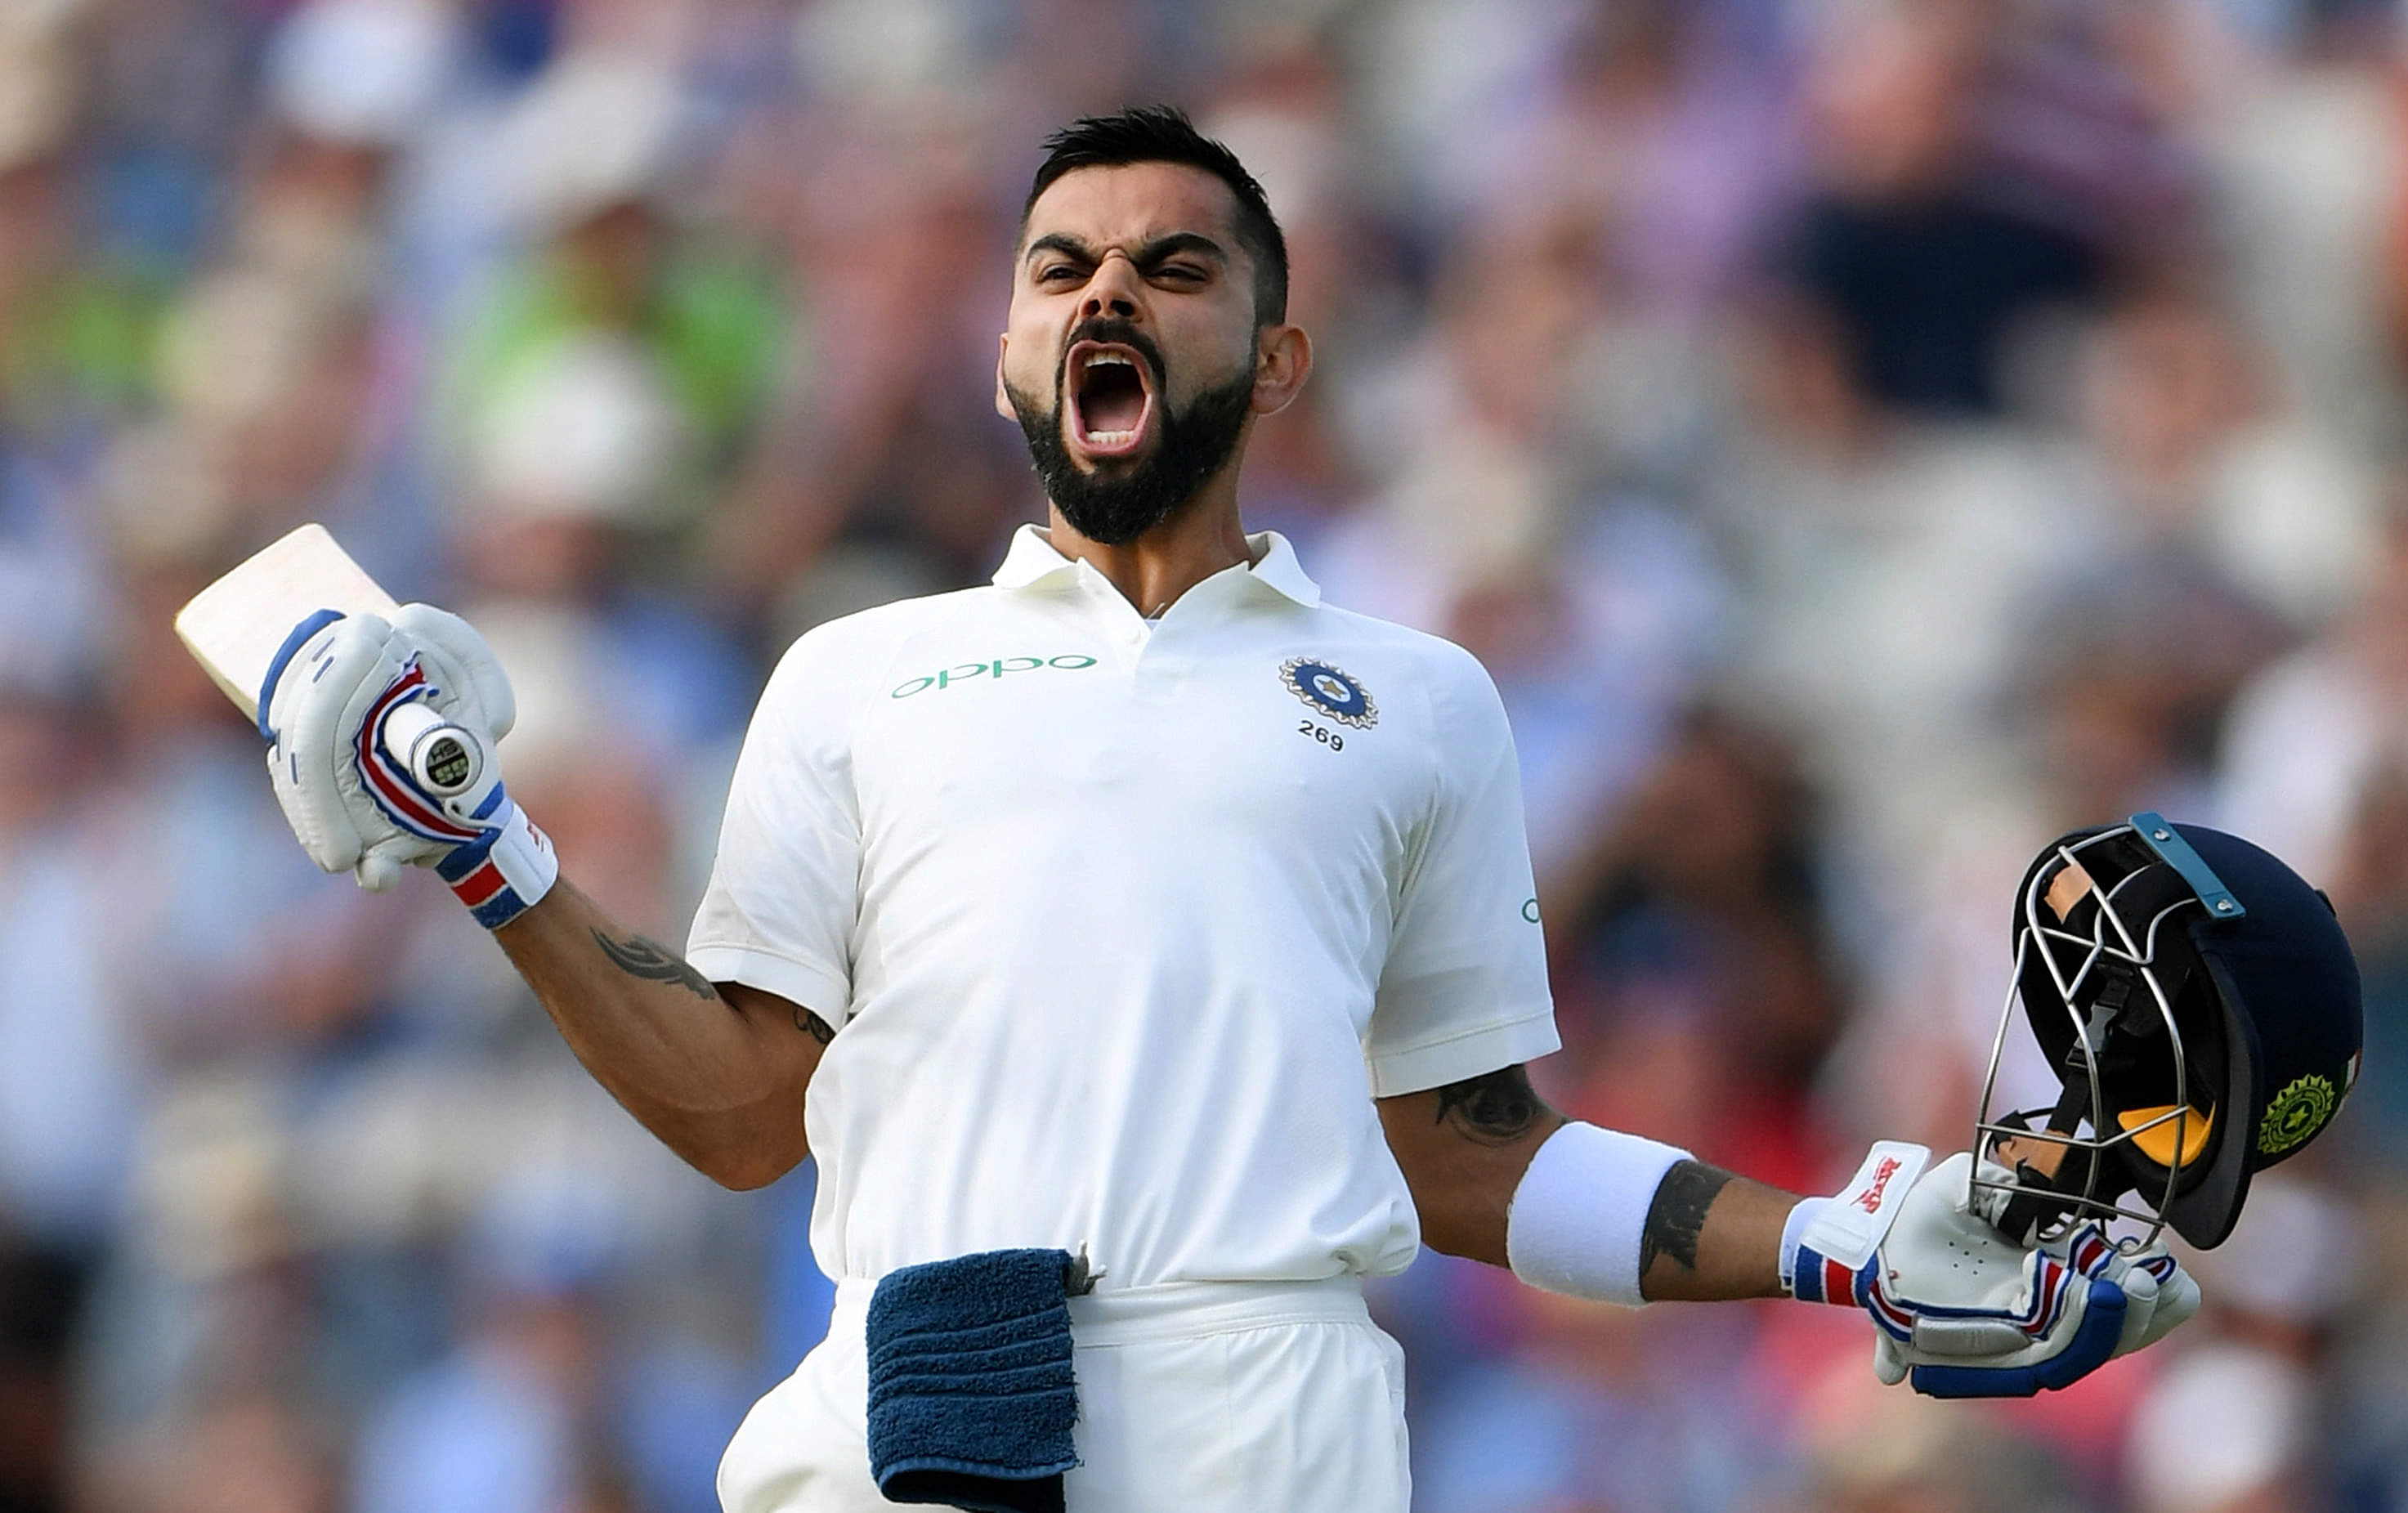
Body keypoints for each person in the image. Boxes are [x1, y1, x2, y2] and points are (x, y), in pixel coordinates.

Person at [250, 108, 2200, 1513]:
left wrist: (1836, 1244)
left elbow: (1469, 1157)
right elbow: (751, 1112)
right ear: (1010, 357)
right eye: (1062, 267)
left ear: (1276, 362)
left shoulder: (1418, 698)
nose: (1110, 287)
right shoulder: (854, 673)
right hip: (907, 1432)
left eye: (1175, 266)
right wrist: (487, 854)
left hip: (1268, 1437)